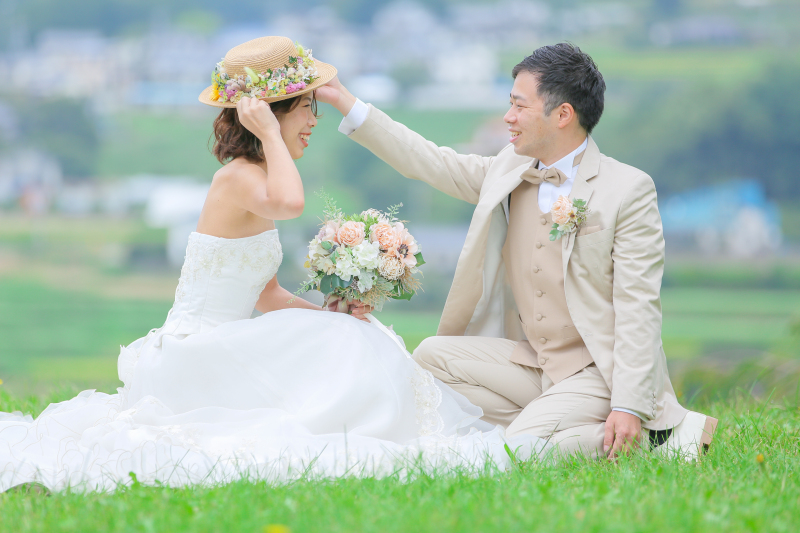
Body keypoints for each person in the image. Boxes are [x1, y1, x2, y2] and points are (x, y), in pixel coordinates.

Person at [0, 37, 543, 494]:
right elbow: (291, 203)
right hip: (197, 348)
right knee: (345, 350)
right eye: (306, 108)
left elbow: (267, 295)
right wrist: (264, 133)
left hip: (230, 338)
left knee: (354, 335)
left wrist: (327, 313)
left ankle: (379, 425)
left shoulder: (256, 173)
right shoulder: (239, 175)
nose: (314, 121)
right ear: (271, 111)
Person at [315, 42, 717, 460]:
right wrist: (345, 102)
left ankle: (653, 439)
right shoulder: (508, 168)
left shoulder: (628, 189)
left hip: (599, 372)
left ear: (563, 115)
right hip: (535, 365)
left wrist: (628, 405)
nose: (508, 117)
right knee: (431, 356)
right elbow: (430, 162)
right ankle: (561, 427)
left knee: (509, 454)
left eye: (519, 106)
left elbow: (639, 308)